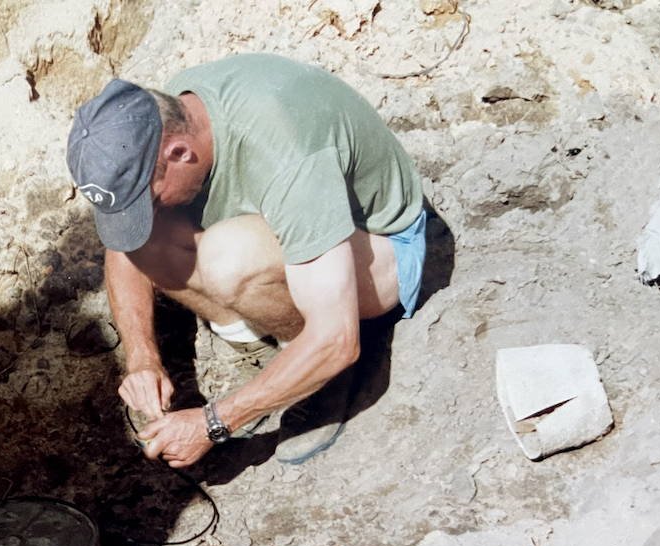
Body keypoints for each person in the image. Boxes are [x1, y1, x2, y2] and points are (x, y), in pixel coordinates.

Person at [66, 53, 426, 468]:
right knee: (146, 235)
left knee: (231, 258)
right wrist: (142, 358)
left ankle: (320, 377)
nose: (151, 210)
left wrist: (214, 422)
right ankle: (265, 349)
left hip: (382, 248)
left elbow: (336, 339)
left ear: (179, 152)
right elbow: (124, 246)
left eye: (150, 198)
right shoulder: (172, 114)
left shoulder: (286, 152)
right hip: (292, 222)